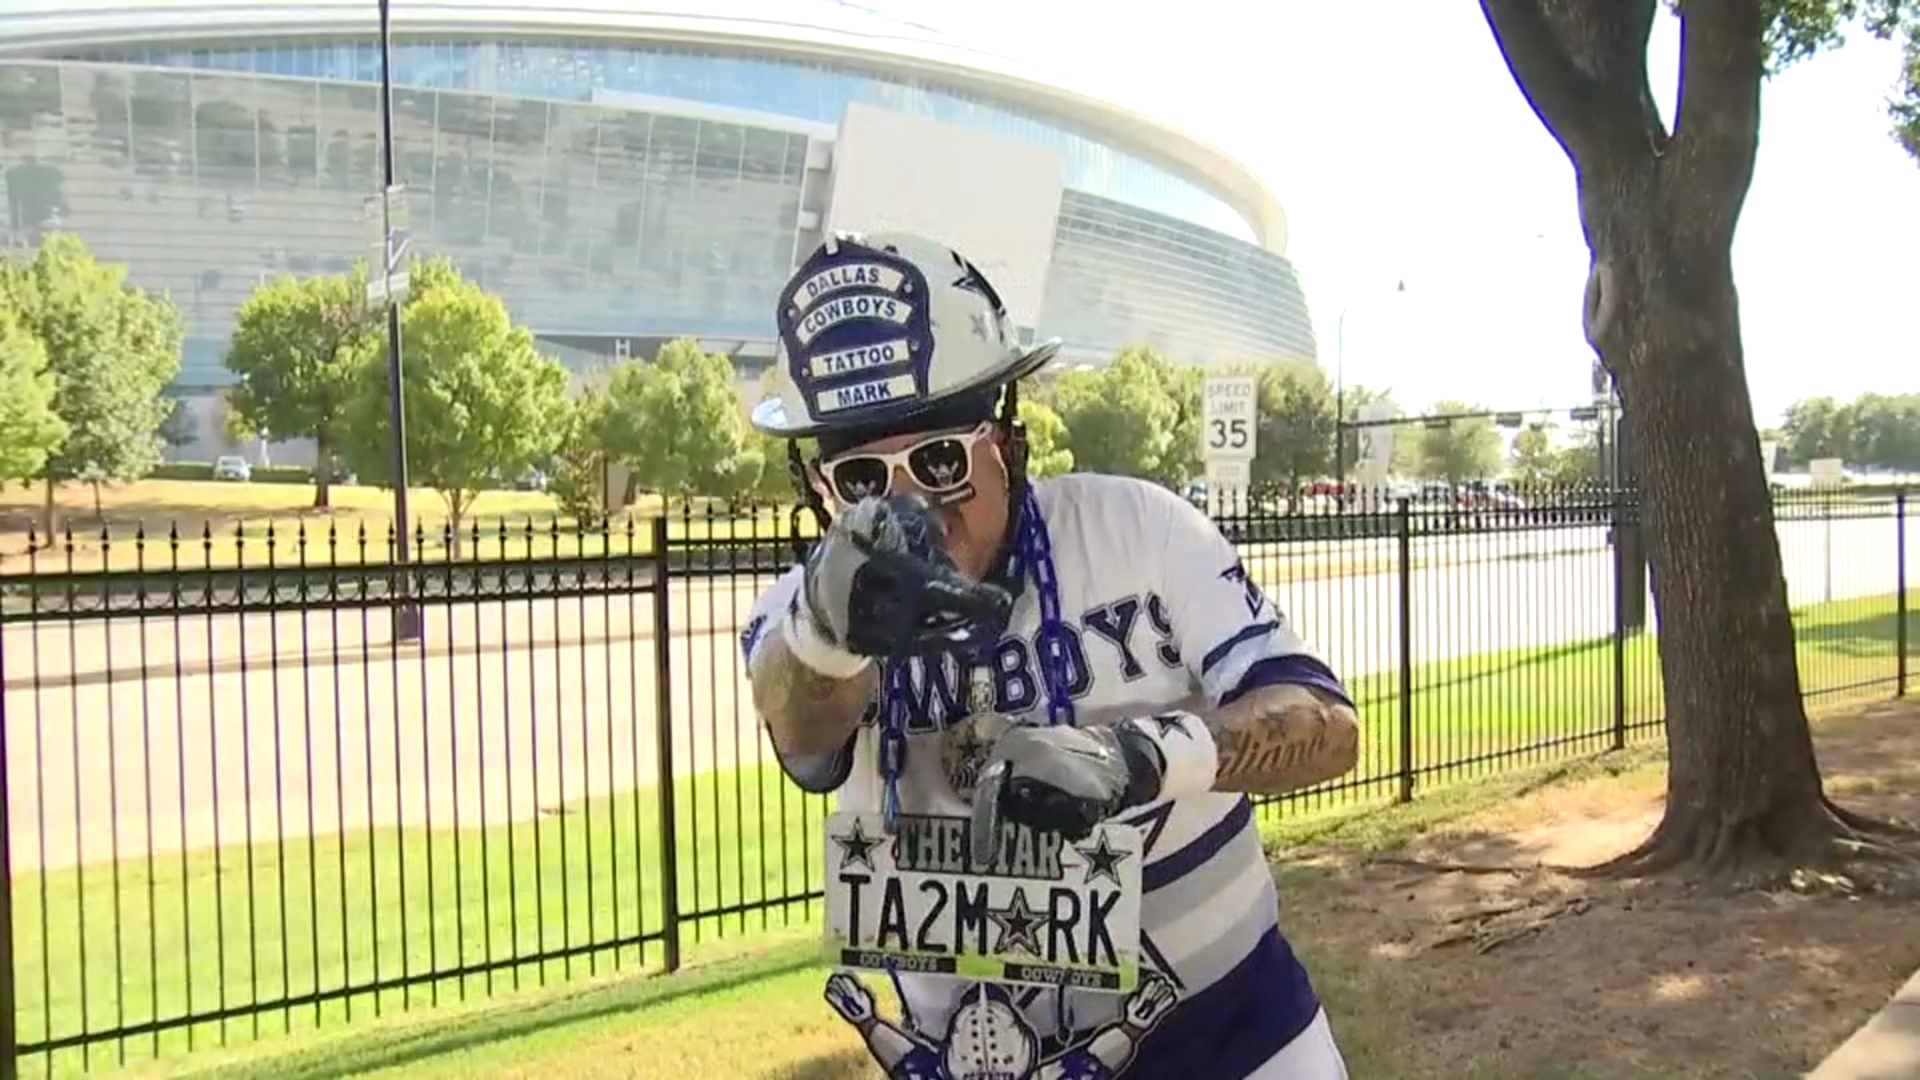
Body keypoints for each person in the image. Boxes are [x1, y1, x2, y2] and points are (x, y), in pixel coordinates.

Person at [739, 230, 1361, 1079]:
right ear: (818, 488)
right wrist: (827, 629)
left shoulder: (1141, 530)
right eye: (861, 480)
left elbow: (1326, 723)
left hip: (1233, 1037)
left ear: (1004, 437)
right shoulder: (805, 611)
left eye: (939, 459)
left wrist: (1143, 756)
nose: (913, 509)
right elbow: (799, 729)